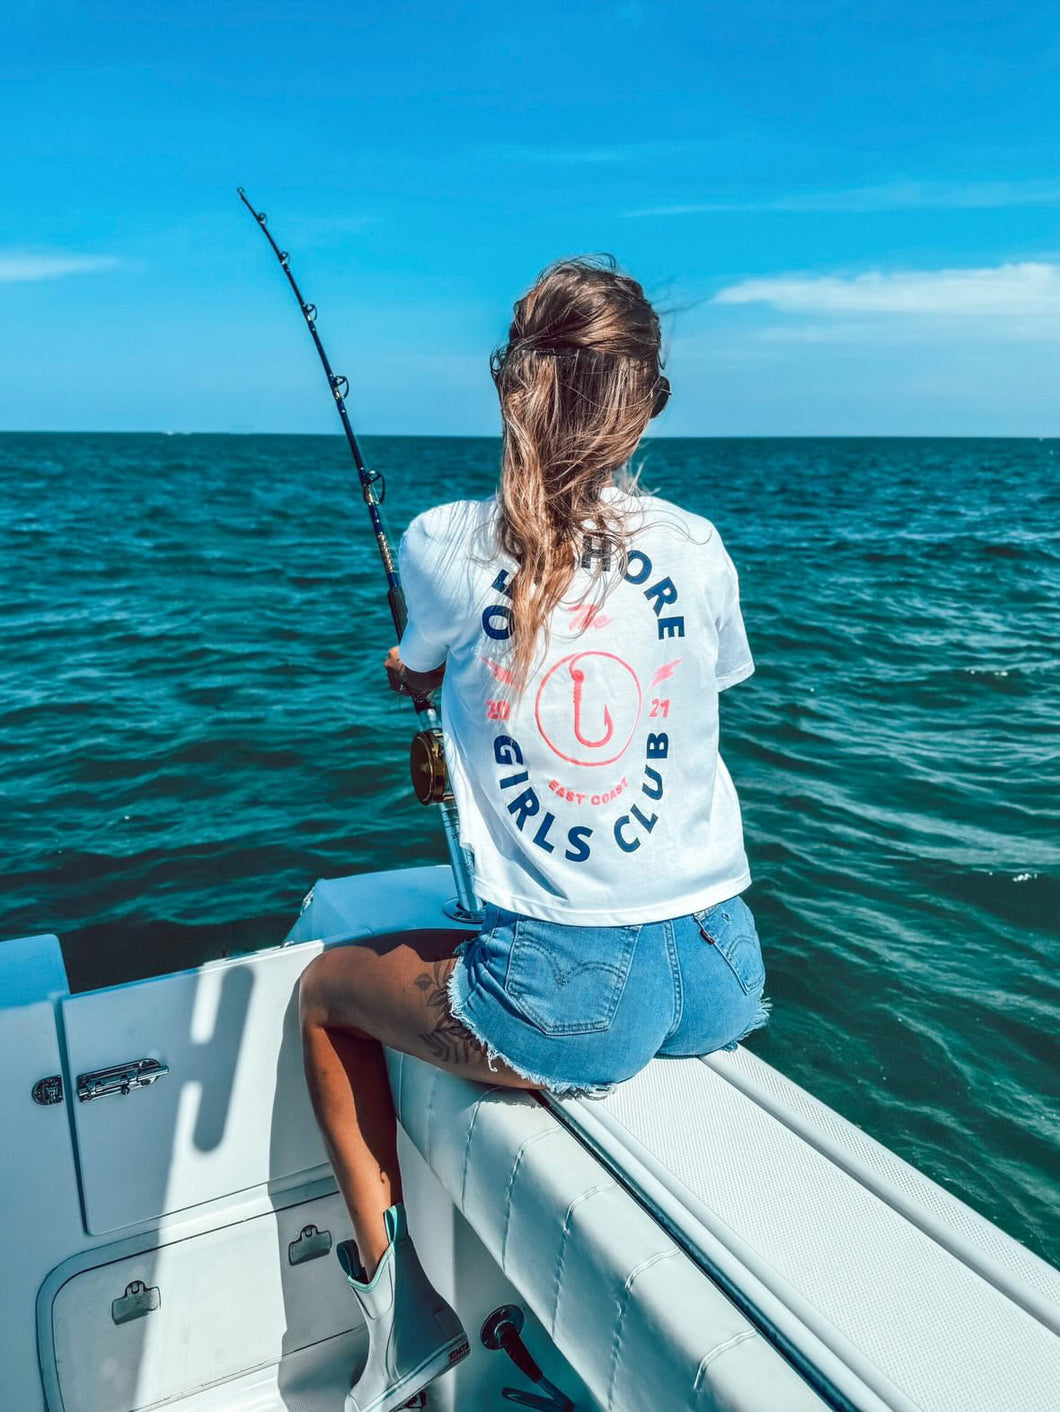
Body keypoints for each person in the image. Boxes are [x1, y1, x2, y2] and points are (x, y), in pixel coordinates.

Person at [297, 255, 770, 1412]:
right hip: (724, 964)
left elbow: (411, 668)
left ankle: (400, 1314)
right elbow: (709, 681)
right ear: (649, 399)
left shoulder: (447, 543)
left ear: (508, 382)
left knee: (321, 988)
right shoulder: (700, 546)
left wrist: (421, 672)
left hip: (578, 1001)